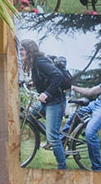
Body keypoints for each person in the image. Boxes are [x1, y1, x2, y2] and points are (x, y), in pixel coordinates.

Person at [23, 39, 73, 169]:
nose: (20, 52)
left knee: (53, 137)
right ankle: (53, 139)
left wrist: (47, 93)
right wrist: (35, 84)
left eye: (22, 49)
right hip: (47, 102)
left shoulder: (40, 62)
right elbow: (47, 77)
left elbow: (57, 75)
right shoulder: (35, 63)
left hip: (55, 102)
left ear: (29, 50)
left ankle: (62, 167)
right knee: (29, 116)